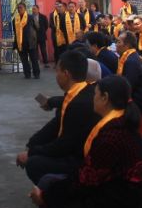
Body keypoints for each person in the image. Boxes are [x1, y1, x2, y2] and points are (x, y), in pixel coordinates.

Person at [20, 75, 142, 208]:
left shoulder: (112, 135)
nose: (92, 99)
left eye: (95, 95)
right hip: (119, 192)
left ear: (105, 98)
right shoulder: (118, 121)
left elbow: (85, 181)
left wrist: (46, 196)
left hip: (120, 206)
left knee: (51, 185)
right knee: (59, 180)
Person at [17, 51, 99, 184]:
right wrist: (32, 144)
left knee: (34, 164)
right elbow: (55, 125)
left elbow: (63, 146)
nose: (56, 75)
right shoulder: (83, 91)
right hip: (76, 151)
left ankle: (58, 196)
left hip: (82, 161)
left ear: (66, 74)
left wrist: (32, 152)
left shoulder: (79, 104)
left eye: (58, 71)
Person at [114, 31, 142, 114]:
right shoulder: (129, 56)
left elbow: (128, 85)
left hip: (141, 100)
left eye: (118, 42)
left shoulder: (131, 61)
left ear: (127, 45)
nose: (116, 45)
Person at [13, 2, 41, 79]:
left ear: (25, 8)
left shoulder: (31, 17)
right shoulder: (15, 19)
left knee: (34, 59)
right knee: (24, 60)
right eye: (18, 8)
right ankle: (27, 74)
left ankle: (36, 74)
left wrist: (33, 36)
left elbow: (37, 27)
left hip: (31, 42)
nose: (19, 9)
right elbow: (15, 31)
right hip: (20, 43)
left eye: (21, 7)